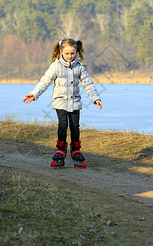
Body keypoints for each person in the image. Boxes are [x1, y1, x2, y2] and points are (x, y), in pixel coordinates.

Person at [23, 38, 102, 168]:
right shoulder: (55, 66)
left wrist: (95, 98)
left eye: (72, 53)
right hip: (60, 101)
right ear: (61, 52)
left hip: (75, 101)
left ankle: (76, 150)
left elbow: (88, 84)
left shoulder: (80, 67)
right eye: (67, 54)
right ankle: (61, 150)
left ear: (76, 52)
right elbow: (45, 81)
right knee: (63, 124)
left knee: (75, 126)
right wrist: (34, 93)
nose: (70, 56)